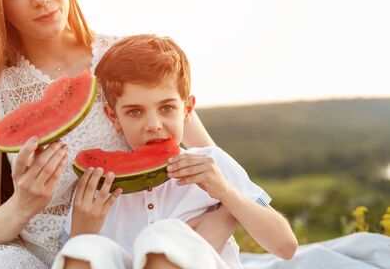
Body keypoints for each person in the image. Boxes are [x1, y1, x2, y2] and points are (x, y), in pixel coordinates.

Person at [0, 0, 242, 268]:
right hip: (36, 257)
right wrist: (23, 203)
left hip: (137, 246)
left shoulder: (127, 58)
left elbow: (219, 168)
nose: (42, 0)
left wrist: (224, 219)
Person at [52, 34, 297, 269]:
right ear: (113, 117)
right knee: (87, 248)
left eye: (166, 108)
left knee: (162, 235)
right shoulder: (96, 186)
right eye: (135, 112)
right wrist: (81, 232)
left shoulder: (211, 163)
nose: (153, 125)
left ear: (187, 109)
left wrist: (226, 193)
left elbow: (285, 246)